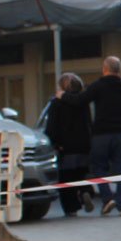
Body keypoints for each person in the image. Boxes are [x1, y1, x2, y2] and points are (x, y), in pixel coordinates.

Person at [59, 56, 121, 216]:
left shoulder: (98, 86)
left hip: (101, 134)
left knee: (98, 167)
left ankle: (107, 199)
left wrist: (62, 96)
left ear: (105, 69)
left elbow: (80, 100)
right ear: (118, 70)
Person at [44, 73, 95, 217]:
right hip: (84, 145)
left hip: (66, 147)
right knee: (81, 173)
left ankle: (71, 208)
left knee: (66, 179)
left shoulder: (57, 103)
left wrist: (55, 143)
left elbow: (52, 127)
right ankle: (85, 191)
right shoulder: (83, 103)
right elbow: (89, 124)